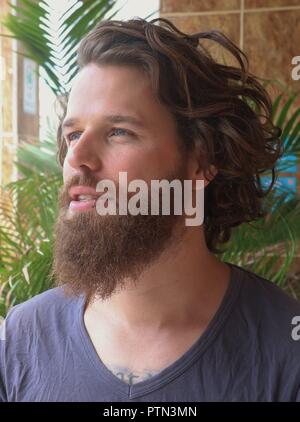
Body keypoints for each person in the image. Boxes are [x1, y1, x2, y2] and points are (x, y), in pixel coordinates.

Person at [0, 17, 299, 402]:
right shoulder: (21, 339)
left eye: (118, 132)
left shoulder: (283, 350)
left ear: (200, 162)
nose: (77, 157)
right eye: (73, 134)